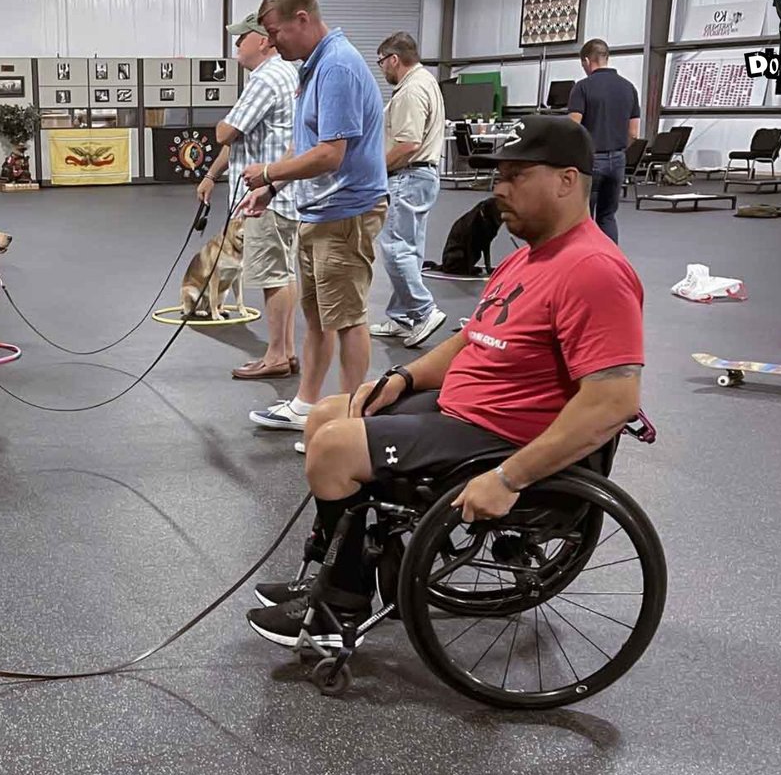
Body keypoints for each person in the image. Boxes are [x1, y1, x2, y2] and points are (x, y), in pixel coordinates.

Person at [244, 116, 644, 648]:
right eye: (497, 175)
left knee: (336, 448)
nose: (499, 189)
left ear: (567, 180)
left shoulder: (594, 270)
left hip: (505, 436)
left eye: (517, 175)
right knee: (328, 414)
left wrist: (508, 479)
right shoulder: (526, 258)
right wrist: (404, 378)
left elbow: (612, 401)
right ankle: (329, 572)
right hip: (465, 413)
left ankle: (338, 611)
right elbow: (470, 340)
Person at [239, 0, 388, 436]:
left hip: (346, 212)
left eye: (275, 32)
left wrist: (266, 173)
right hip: (317, 211)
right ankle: (307, 404)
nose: (271, 42)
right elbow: (302, 143)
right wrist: (273, 187)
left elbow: (330, 154)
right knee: (319, 317)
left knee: (347, 319)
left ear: (301, 19)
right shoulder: (313, 66)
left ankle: (348, 421)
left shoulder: (338, 67)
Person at [198, 11, 300, 380]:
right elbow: (242, 137)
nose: (236, 45)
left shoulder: (265, 78)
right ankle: (286, 351)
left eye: (242, 38)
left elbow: (226, 133)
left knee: (272, 276)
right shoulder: (290, 73)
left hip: (263, 199)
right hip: (284, 193)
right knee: (284, 273)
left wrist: (222, 126)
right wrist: (212, 174)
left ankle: (274, 356)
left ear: (263, 40)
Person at [368, 31, 447, 349]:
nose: (381, 69)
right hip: (421, 177)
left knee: (395, 249)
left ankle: (424, 310)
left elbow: (408, 144)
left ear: (393, 59)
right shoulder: (427, 82)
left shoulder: (410, 92)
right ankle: (403, 316)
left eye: (381, 62)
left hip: (408, 177)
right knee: (410, 249)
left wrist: (375, 171)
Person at [566, 39, 639, 244]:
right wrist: (617, 150)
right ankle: (610, 263)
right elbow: (633, 133)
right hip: (618, 159)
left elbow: (573, 128)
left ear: (587, 61)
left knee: (582, 218)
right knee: (607, 216)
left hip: (590, 160)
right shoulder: (629, 88)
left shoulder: (582, 88)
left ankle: (584, 263)